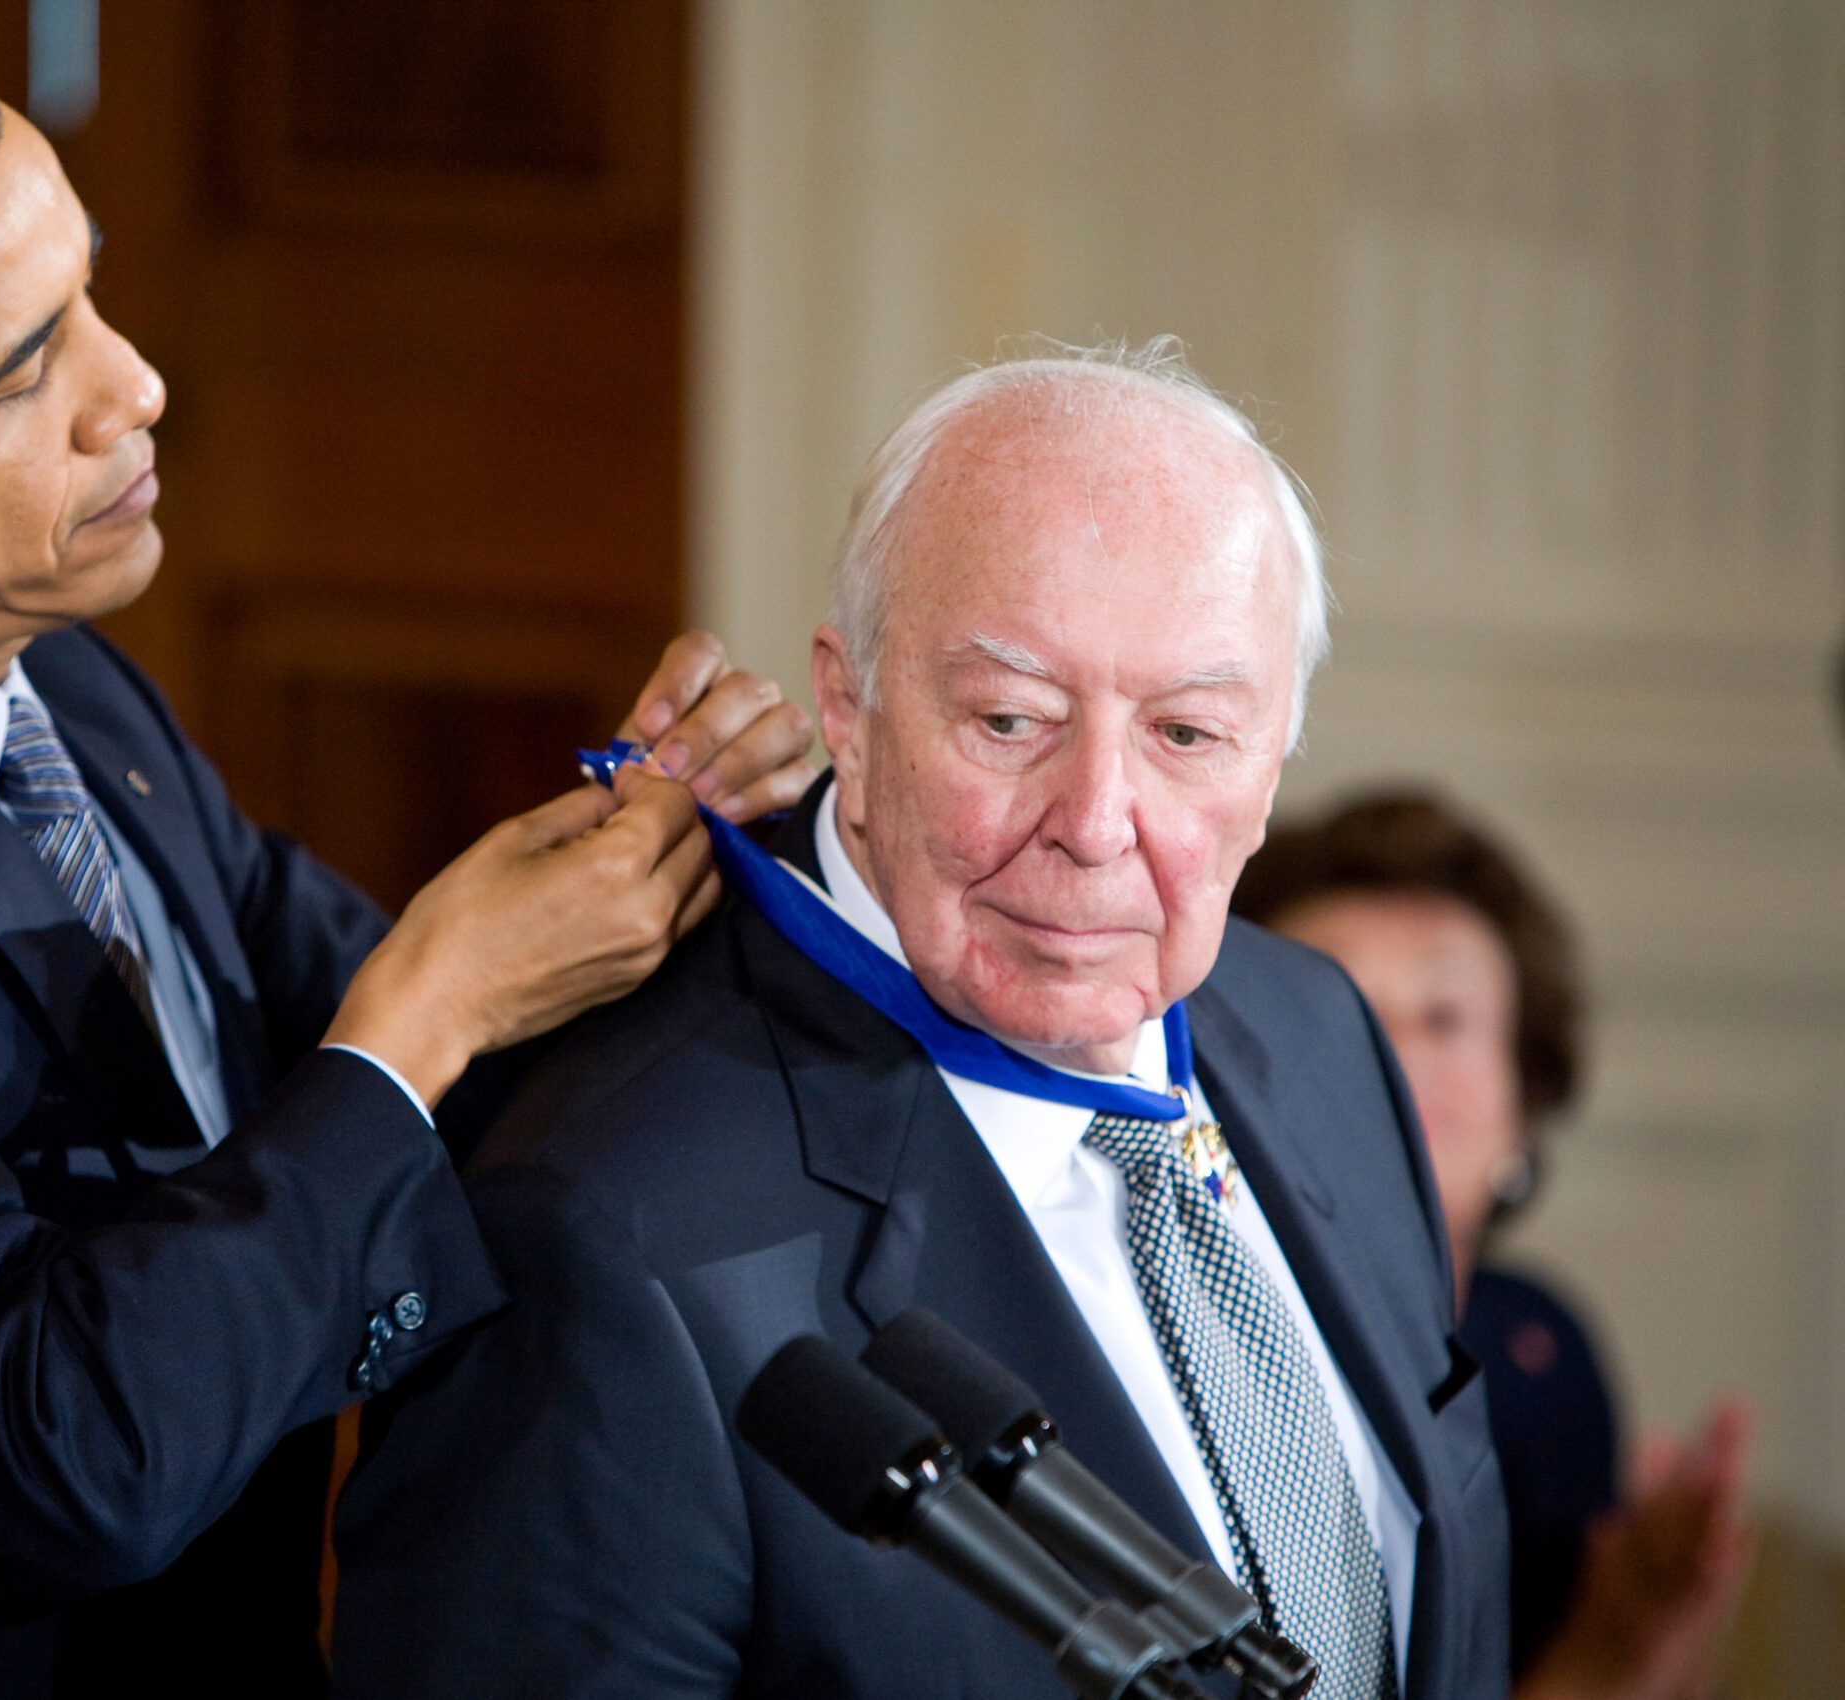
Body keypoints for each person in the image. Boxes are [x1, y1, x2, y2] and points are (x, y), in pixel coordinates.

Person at [0, 23, 814, 1700]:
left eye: (89, 291)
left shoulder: (50, 669)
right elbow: (67, 1454)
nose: (136, 387)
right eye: (21, 371)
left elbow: (384, 1037)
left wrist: (674, 840)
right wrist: (425, 1018)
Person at [332, 343, 1508, 1699]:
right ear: (849, 702)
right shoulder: (600, 1239)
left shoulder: (1319, 1035)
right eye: (1011, 720)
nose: (1096, 824)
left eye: (1187, 735)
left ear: (1279, 746)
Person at [1236, 792, 1754, 1700]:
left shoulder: (1537, 1353)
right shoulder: (1160, 1319)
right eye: (1337, 1008)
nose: (1392, 1057)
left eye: (1444, 1016)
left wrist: (1632, 1638)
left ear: (1522, 1106)